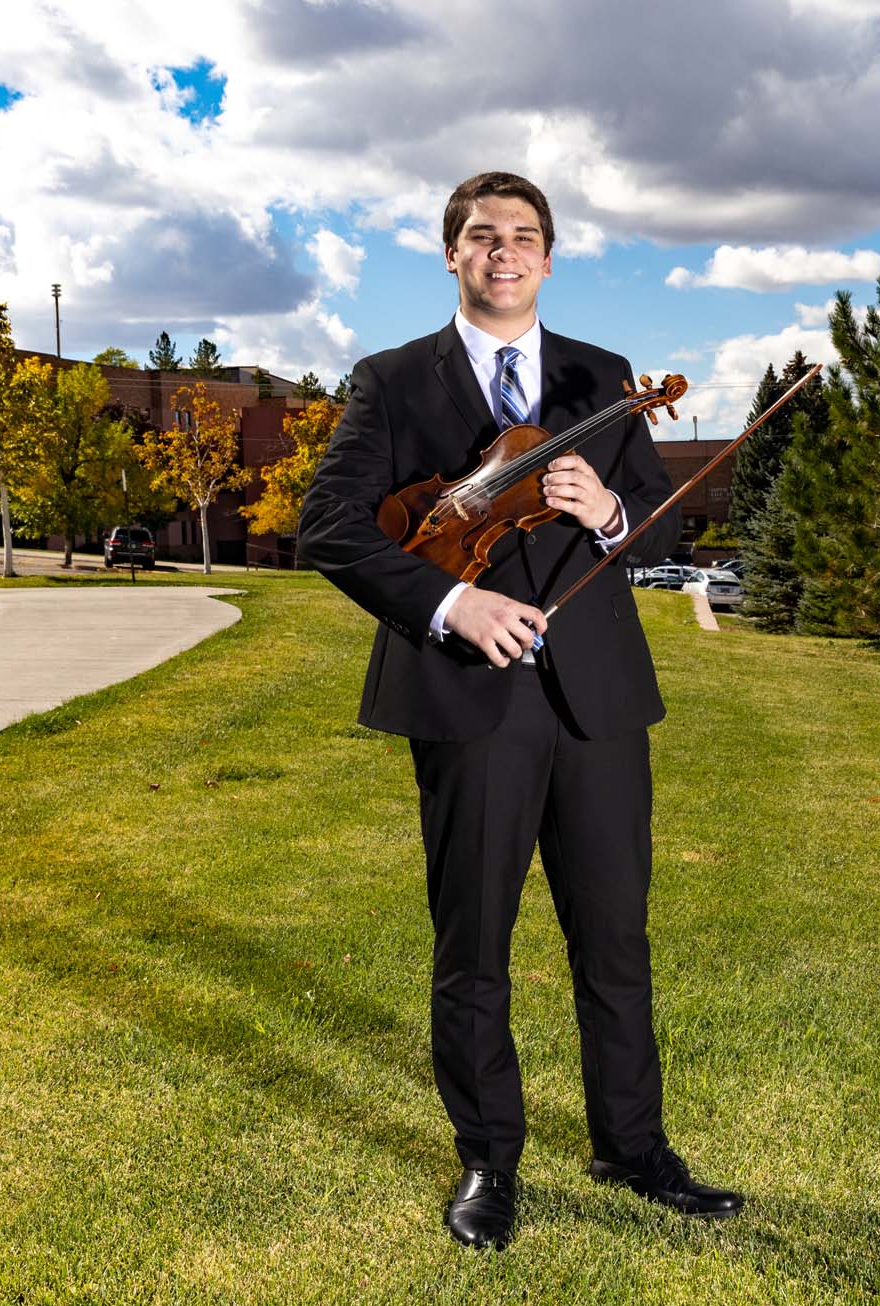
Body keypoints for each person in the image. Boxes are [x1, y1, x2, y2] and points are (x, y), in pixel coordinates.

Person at [298, 171, 741, 1250]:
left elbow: (666, 533)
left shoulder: (603, 378)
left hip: (595, 702)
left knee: (614, 940)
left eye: (524, 237)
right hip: (468, 695)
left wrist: (613, 514)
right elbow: (330, 528)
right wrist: (450, 601)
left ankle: (632, 1147)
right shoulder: (393, 381)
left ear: (549, 260)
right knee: (475, 946)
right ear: (452, 254)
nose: (504, 251)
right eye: (482, 235)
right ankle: (488, 1160)